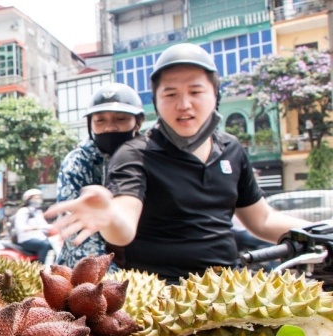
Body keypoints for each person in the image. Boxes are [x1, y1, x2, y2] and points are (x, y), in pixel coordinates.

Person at [45, 43, 308, 284]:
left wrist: (315, 232)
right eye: (170, 94)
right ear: (156, 101)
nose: (184, 104)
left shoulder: (232, 149)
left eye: (195, 91)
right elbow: (124, 224)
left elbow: (262, 219)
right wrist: (110, 215)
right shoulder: (134, 153)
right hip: (160, 296)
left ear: (215, 94)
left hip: (229, 288)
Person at [55, 83, 145, 269]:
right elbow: (79, 233)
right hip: (91, 270)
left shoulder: (149, 156)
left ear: (137, 123)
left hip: (146, 263)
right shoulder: (77, 162)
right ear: (90, 124)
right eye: (100, 121)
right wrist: (111, 278)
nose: (110, 128)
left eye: (120, 119)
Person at [14, 189, 52, 263]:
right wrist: (35, 228)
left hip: (39, 238)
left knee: (52, 243)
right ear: (29, 199)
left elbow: (44, 225)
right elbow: (20, 227)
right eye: (36, 198)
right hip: (26, 239)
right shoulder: (23, 211)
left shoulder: (38, 212)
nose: (39, 200)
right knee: (44, 245)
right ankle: (40, 266)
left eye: (39, 198)